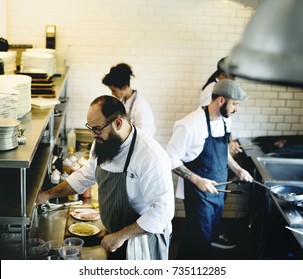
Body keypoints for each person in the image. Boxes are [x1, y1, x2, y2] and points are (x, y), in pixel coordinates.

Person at [36, 95, 174, 260]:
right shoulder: (102, 142)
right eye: (90, 128)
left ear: (118, 123)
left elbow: (162, 212)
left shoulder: (151, 156)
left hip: (141, 240)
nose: (93, 134)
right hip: (114, 234)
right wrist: (48, 194)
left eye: (97, 128)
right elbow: (87, 174)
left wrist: (121, 236)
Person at [166, 79, 253, 259]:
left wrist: (237, 169)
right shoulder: (189, 125)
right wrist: (198, 180)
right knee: (200, 242)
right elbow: (170, 158)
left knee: (201, 237)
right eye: (235, 104)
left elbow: (223, 153)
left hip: (218, 191)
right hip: (199, 194)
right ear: (221, 100)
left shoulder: (225, 121)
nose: (237, 109)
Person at [200, 57, 241, 156]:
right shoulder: (212, 90)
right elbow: (211, 119)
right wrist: (228, 144)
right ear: (222, 74)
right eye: (232, 78)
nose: (233, 83)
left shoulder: (218, 88)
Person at [102, 63, 156, 137]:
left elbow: (144, 136)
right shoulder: (122, 101)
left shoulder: (141, 107)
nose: (112, 94)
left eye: (114, 90)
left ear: (125, 87)